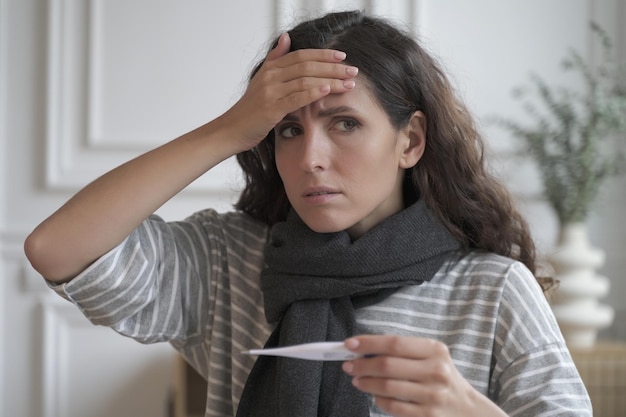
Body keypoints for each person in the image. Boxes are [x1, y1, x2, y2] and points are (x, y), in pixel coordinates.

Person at [24, 10, 592, 417]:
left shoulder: (491, 291)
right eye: (288, 130)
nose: (310, 159)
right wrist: (229, 129)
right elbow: (58, 249)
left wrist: (468, 411)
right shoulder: (232, 264)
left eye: (345, 123)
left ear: (410, 141)